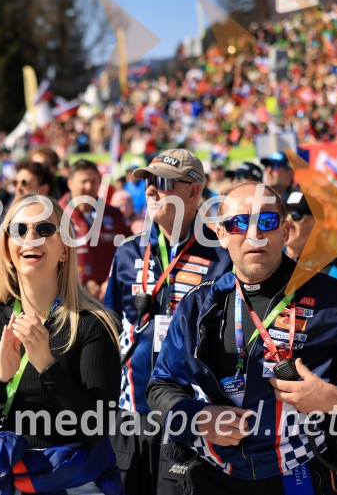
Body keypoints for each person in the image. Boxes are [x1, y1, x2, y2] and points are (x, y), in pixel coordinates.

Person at [147, 180, 337, 494]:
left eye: (266, 222)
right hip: (212, 473)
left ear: (284, 232)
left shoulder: (333, 297)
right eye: (240, 223)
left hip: (299, 473)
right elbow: (162, 385)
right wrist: (197, 418)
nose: (255, 234)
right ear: (221, 234)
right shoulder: (198, 304)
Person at [0, 194, 123, 494]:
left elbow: (100, 427)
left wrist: (48, 366)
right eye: (19, 230)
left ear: (65, 250)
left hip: (67, 481)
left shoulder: (93, 322)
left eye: (44, 230)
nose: (31, 239)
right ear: (7, 250)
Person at [104, 148, 232, 495]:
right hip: (133, 413)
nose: (150, 190)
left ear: (193, 191)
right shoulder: (128, 251)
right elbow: (109, 327)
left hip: (191, 415)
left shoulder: (222, 255)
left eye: (162, 182)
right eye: (147, 181)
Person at [60, 159, 128, 300]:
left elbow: (127, 252)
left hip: (109, 295)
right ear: (70, 183)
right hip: (69, 296)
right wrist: (81, 281)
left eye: (94, 181)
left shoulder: (114, 215)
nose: (89, 186)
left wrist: (111, 279)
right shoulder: (56, 215)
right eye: (84, 181)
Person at [284, 191, 337, 283]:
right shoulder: (269, 262)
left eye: (296, 215)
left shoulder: (332, 275)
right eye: (284, 214)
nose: (287, 221)